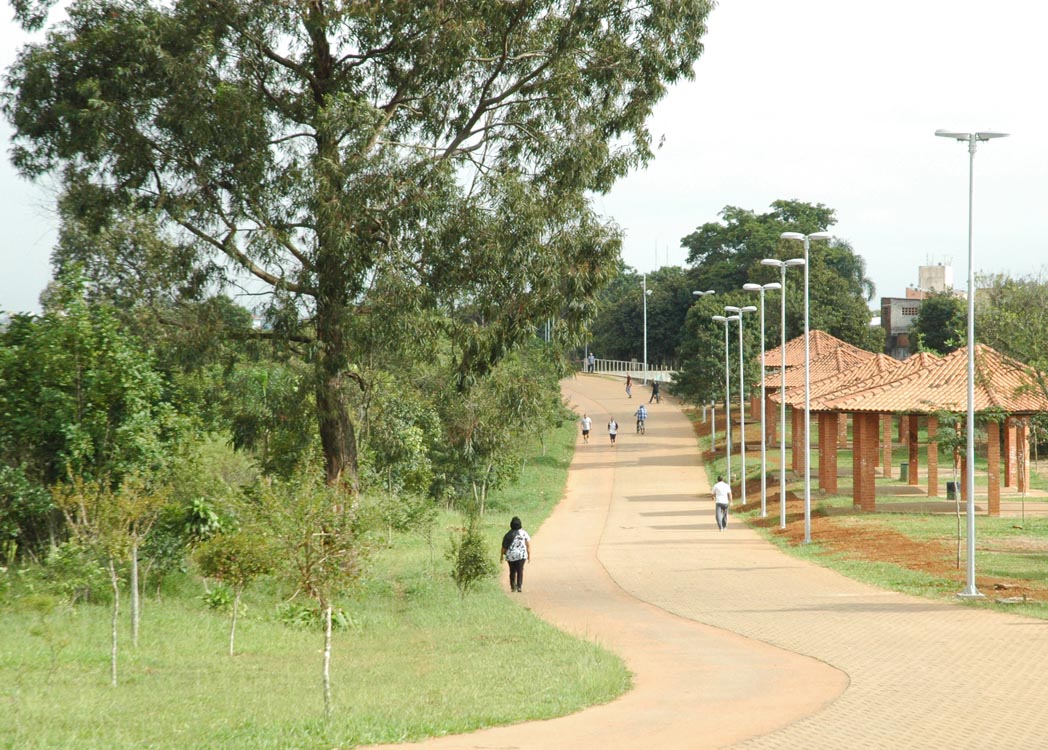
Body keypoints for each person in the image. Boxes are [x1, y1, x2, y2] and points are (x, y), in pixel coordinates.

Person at [500, 516, 531, 592]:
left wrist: (501, 556)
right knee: (520, 570)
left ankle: (513, 587)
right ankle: (519, 586)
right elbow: (528, 545)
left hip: (511, 556)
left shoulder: (508, 534)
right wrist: (529, 556)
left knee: (512, 571)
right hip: (521, 555)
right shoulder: (524, 533)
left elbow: (504, 547)